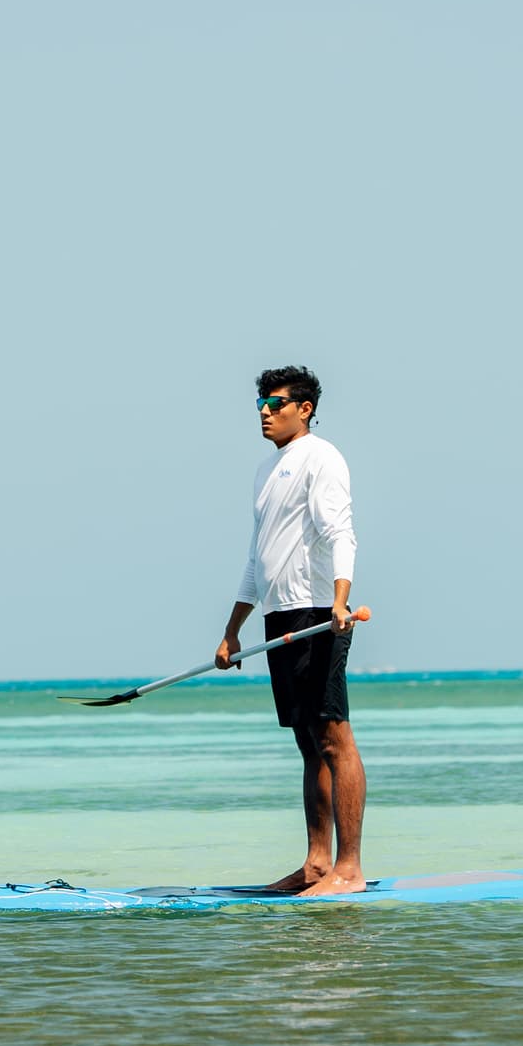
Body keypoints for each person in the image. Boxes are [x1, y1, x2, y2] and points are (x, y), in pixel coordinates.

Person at [215, 365, 364, 896]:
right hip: (280, 617)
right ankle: (316, 864)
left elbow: (339, 531)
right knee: (307, 743)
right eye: (259, 402)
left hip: (319, 612)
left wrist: (341, 602)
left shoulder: (321, 458)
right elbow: (257, 560)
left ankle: (349, 868)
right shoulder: (265, 470)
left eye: (275, 402)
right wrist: (233, 631)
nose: (263, 411)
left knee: (333, 737)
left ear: (303, 408)